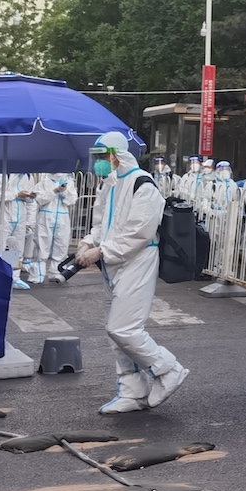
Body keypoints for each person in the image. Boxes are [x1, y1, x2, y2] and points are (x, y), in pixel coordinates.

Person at [72, 131, 189, 414]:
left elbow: (140, 232)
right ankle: (132, 389)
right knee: (115, 332)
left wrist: (100, 252)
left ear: (116, 154)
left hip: (137, 260)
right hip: (113, 265)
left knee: (123, 328)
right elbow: (101, 222)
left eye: (102, 156)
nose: (99, 162)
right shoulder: (109, 184)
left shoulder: (142, 184)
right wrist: (88, 241)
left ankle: (168, 369)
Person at [0, 172, 41, 288]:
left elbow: (30, 202)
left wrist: (30, 198)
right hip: (3, 213)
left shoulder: (28, 176)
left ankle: (13, 277)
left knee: (15, 248)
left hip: (20, 214)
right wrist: (17, 194)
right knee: (0, 246)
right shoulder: (1, 174)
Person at [33, 172, 76, 284]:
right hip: (46, 216)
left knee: (61, 245)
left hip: (62, 216)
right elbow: (39, 199)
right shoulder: (44, 182)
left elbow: (72, 200)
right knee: (42, 244)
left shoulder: (69, 182)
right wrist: (54, 191)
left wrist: (65, 192)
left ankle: (56, 272)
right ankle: (38, 274)